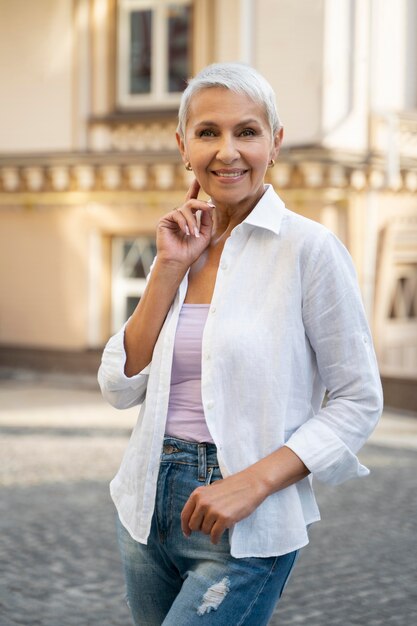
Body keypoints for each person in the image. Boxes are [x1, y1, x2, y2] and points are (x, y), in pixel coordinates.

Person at [98, 62, 383, 625]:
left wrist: (250, 484)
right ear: (184, 145)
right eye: (208, 132)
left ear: (274, 143)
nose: (227, 151)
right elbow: (118, 385)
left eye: (246, 132)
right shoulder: (182, 243)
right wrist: (168, 268)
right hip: (143, 507)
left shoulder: (308, 249)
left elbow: (358, 400)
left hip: (245, 522)